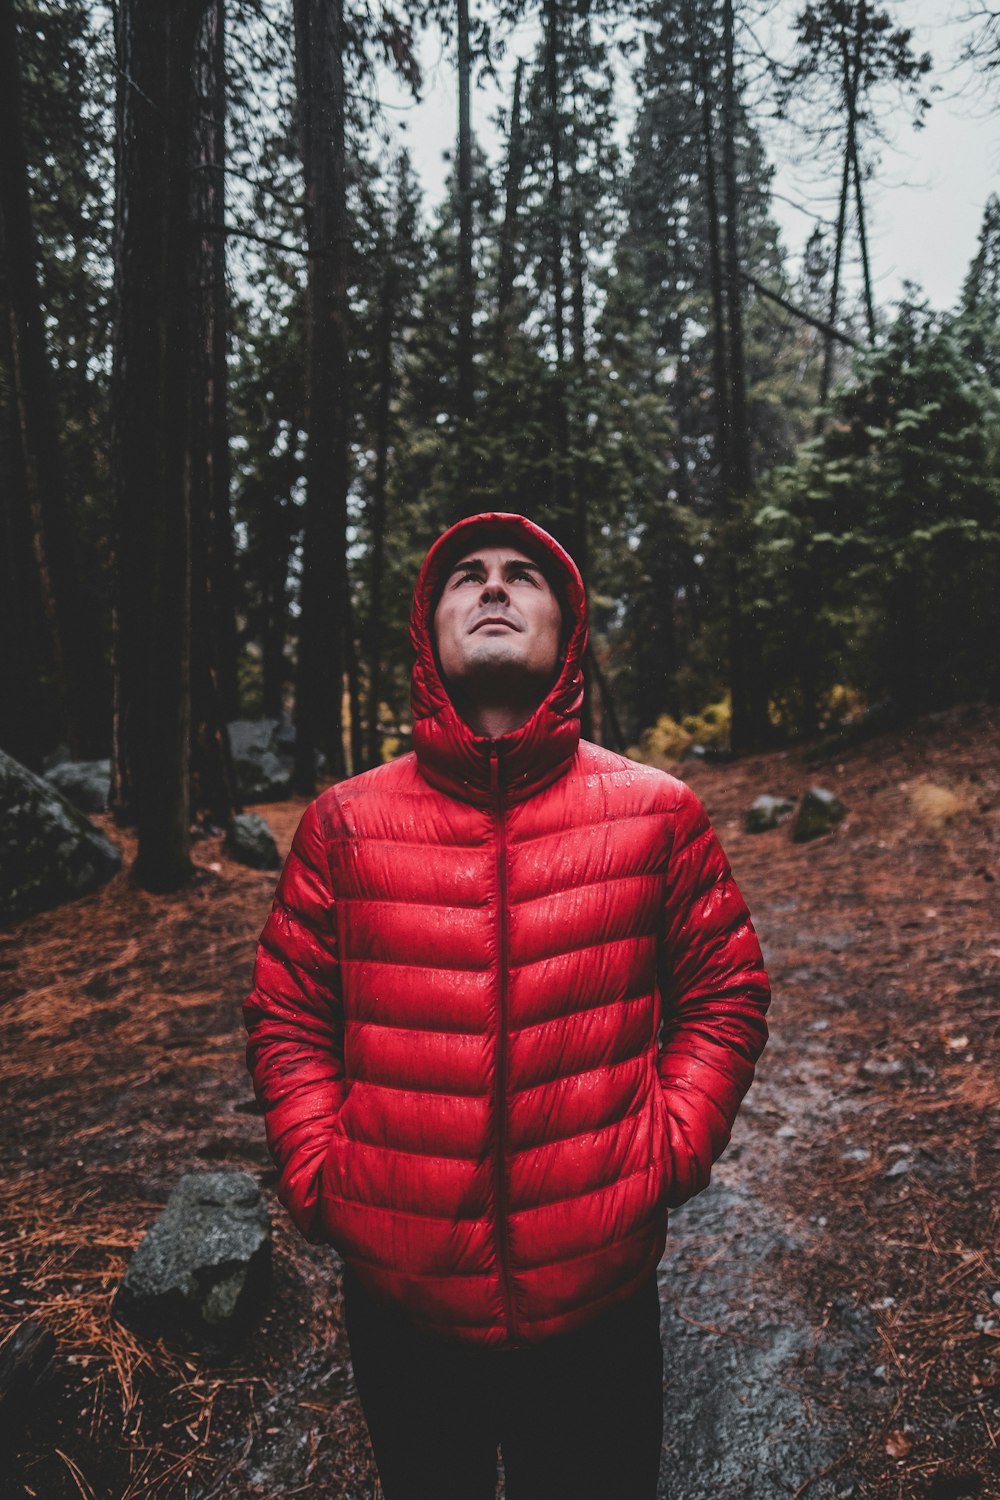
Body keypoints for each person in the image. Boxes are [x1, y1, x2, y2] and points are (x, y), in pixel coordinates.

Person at [244, 512, 770, 1500]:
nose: (493, 588)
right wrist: (324, 1168)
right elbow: (287, 1015)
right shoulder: (344, 826)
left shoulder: (656, 814)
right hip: (401, 1306)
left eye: (522, 574)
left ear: (565, 631)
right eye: (466, 577)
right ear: (427, 627)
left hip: (598, 1303)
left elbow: (724, 991)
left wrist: (670, 1145)